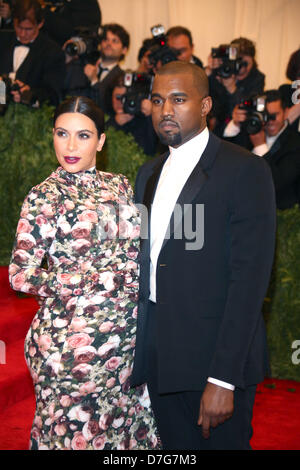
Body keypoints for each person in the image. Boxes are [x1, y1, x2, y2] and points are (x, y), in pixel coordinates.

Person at [130, 61, 276, 450]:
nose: (166, 110)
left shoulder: (246, 170)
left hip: (213, 362)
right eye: (158, 100)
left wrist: (223, 378)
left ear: (206, 104)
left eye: (179, 99)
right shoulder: (148, 174)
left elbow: (249, 284)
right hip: (161, 357)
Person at [8, 95, 159, 450]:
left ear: (101, 141)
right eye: (62, 134)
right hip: (69, 349)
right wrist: (78, 281)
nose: (71, 146)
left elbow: (138, 251)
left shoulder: (120, 186)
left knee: (128, 437)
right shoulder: (44, 196)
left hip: (126, 346)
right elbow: (20, 274)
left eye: (83, 135)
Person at [224, 89, 300, 210]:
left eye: (274, 116)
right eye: (265, 115)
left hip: (279, 215)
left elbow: (277, 183)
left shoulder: (295, 142)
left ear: (285, 112)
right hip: (241, 208)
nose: (270, 121)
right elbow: (224, 159)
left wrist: (260, 146)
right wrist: (235, 124)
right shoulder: (251, 130)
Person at [0, 0, 65, 106]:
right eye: (18, 27)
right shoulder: (2, 41)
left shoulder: (52, 52)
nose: (22, 33)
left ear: (40, 24)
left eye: (28, 29)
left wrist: (30, 94)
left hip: (32, 117)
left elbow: (53, 93)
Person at [105, 75, 158, 157]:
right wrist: (115, 123)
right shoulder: (106, 118)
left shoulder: (144, 119)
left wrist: (151, 116)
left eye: (126, 97)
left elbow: (150, 150)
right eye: (118, 97)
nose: (121, 102)